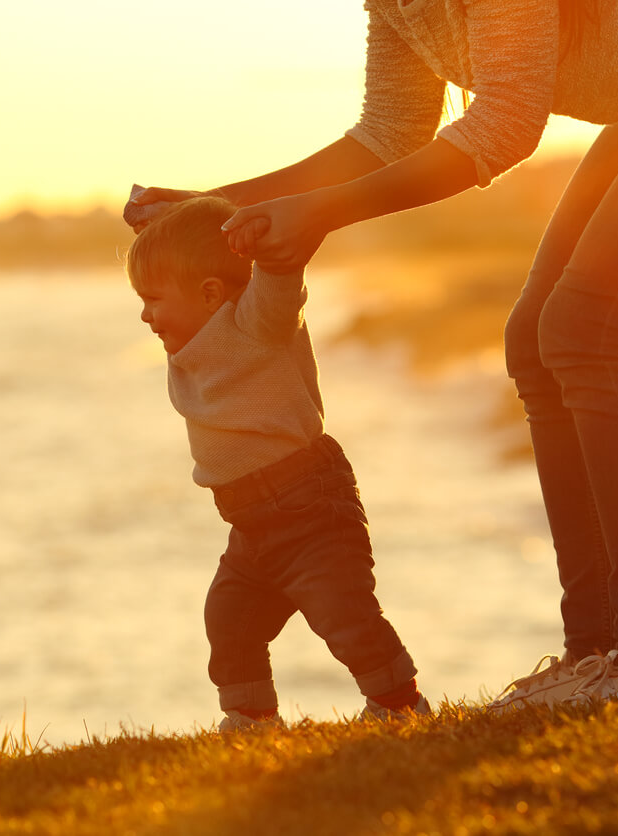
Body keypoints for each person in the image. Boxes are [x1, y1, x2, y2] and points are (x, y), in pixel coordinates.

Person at [127, 1, 618, 709]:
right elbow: (388, 133)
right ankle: (598, 652)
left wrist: (323, 212)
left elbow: (506, 125)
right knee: (537, 345)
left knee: (591, 332)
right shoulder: (395, 6)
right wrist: (211, 204)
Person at [125, 195, 428, 730]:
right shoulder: (187, 346)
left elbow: (279, 278)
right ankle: (252, 718)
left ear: (211, 294)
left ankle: (399, 704)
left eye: (153, 299)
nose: (145, 314)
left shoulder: (256, 325)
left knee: (343, 612)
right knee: (230, 618)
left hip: (307, 505)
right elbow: (190, 254)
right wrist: (169, 229)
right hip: (250, 525)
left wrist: (266, 241)